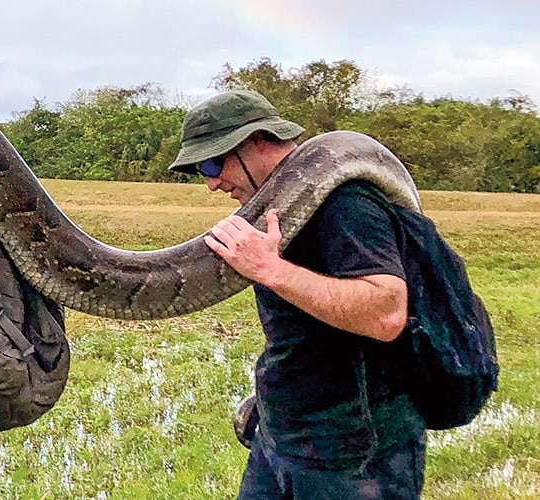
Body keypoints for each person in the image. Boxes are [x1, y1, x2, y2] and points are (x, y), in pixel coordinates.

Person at [169, 90, 426, 499]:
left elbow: (386, 313)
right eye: (200, 170)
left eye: (213, 163)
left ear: (257, 141)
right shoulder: (278, 207)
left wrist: (271, 271)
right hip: (284, 441)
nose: (211, 183)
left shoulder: (347, 203)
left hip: (354, 457)